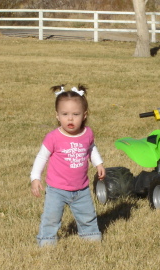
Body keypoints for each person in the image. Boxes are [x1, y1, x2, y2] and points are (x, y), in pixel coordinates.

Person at [30, 84, 106, 246]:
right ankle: (47, 240)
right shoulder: (53, 137)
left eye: (75, 114)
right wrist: (35, 178)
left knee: (87, 215)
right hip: (57, 189)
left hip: (81, 189)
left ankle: (90, 235)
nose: (70, 119)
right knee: (51, 217)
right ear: (57, 115)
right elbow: (41, 157)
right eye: (65, 114)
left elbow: (91, 148)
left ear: (84, 115)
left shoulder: (87, 133)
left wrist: (98, 163)